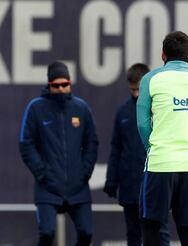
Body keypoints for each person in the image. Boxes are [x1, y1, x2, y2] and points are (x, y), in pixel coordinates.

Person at [136, 31, 188, 246]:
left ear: (163, 55)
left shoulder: (150, 79)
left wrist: (152, 148)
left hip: (160, 163)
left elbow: (142, 123)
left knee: (151, 228)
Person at [19, 61, 98, 246]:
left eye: (65, 84)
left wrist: (85, 172)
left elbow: (92, 143)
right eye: (56, 85)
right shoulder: (35, 108)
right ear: (49, 85)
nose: (61, 88)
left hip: (78, 186)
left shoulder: (81, 108)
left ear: (70, 82)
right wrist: (42, 173)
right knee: (47, 233)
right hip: (47, 186)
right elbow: (26, 144)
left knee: (87, 233)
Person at [103, 63, 170, 246]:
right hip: (129, 185)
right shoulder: (123, 111)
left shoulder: (161, 108)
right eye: (132, 89)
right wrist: (111, 180)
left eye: (139, 89)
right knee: (133, 234)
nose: (135, 94)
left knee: (160, 232)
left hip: (154, 182)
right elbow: (116, 147)